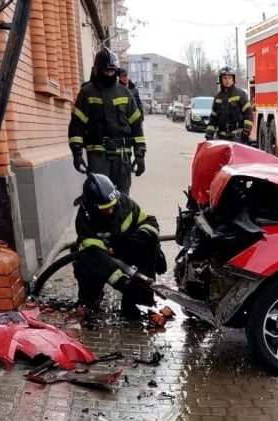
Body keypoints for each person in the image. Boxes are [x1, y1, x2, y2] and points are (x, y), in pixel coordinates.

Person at [72, 173, 166, 320]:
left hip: (125, 249)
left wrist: (142, 237)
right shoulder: (85, 218)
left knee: (150, 244)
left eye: (111, 206)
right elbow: (95, 254)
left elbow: (149, 222)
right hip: (99, 258)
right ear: (92, 206)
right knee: (84, 264)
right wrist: (122, 282)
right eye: (104, 209)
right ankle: (90, 301)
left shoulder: (125, 204)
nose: (109, 211)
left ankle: (136, 302)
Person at [68, 47, 146, 194]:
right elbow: (76, 126)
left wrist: (140, 154)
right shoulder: (87, 93)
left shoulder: (125, 93)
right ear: (98, 70)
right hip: (98, 156)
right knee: (100, 196)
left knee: (123, 199)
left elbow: (137, 127)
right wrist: (77, 154)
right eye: (106, 71)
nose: (109, 74)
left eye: (112, 71)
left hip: (122, 157)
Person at [205, 66, 254, 143]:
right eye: (225, 78)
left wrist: (246, 131)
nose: (227, 80)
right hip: (221, 137)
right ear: (221, 79)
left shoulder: (241, 95)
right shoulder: (218, 97)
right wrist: (209, 133)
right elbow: (213, 118)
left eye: (229, 78)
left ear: (233, 79)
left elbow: (248, 114)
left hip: (237, 136)